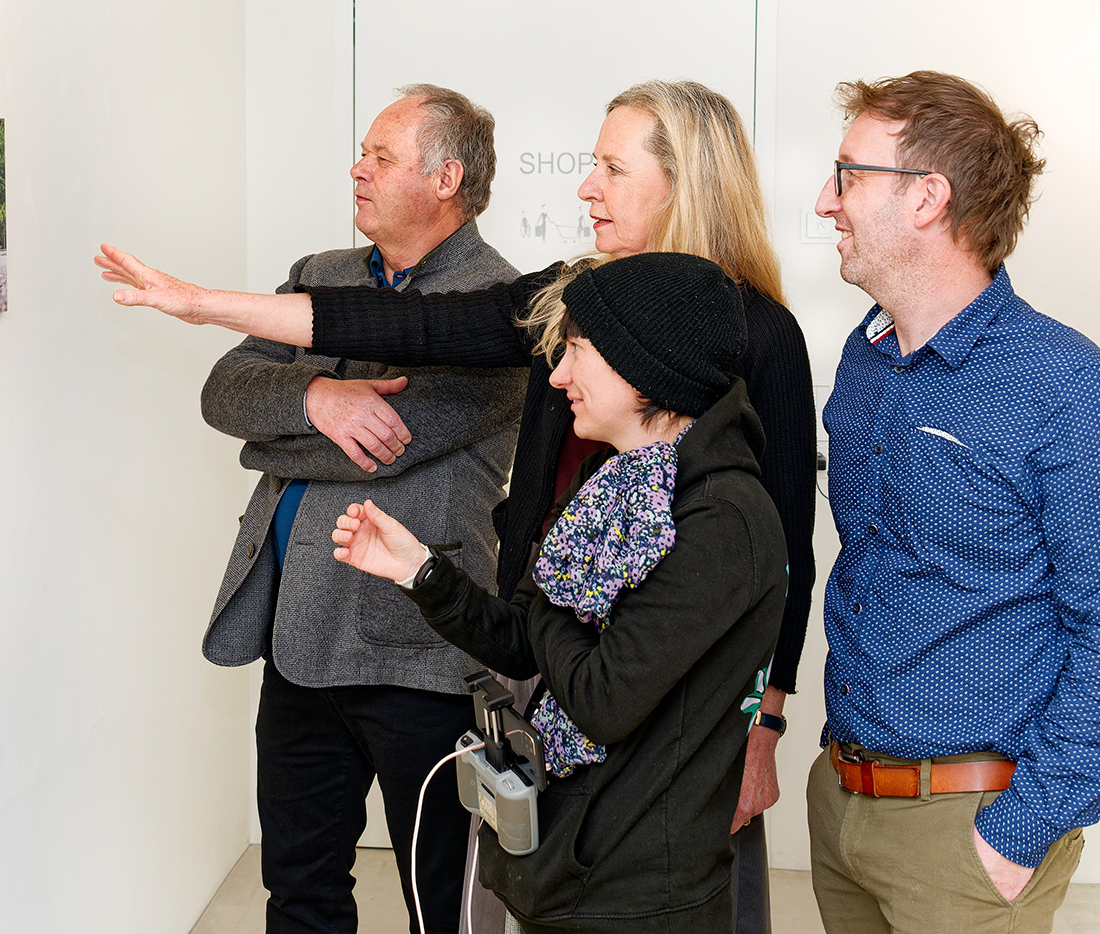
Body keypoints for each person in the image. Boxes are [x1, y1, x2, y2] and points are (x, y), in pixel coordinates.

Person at [97, 79, 816, 933]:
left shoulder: (756, 342)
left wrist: (766, 721)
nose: (587, 186)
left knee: (652, 886)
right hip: (544, 649)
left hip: (659, 688)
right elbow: (412, 330)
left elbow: (779, 552)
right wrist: (210, 312)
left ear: (684, 180)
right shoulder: (568, 294)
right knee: (544, 881)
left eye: (612, 169)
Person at [806, 71, 1100, 933]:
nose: (826, 201)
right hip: (843, 798)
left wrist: (1016, 836)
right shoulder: (864, 361)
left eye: (848, 174)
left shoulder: (1067, 387)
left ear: (927, 197)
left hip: (970, 830)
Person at [333, 253, 787, 932]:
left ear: (645, 366)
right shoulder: (610, 480)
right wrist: (421, 571)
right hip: (571, 871)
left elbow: (603, 699)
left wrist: (549, 597)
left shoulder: (722, 518)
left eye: (578, 351)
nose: (557, 375)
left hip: (641, 901)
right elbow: (523, 643)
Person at [201, 84, 524, 934]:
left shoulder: (501, 307)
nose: (359, 169)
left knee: (444, 905)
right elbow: (223, 389)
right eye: (363, 153)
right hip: (298, 641)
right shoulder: (320, 276)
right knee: (299, 892)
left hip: (421, 652)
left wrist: (276, 436)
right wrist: (317, 398)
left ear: (446, 178)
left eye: (381, 156)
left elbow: (393, 441)